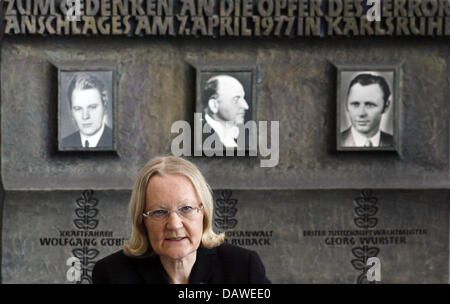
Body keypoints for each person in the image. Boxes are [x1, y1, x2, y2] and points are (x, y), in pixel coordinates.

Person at [92, 156, 270, 284]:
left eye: (186, 208)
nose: (175, 225)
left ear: (204, 212)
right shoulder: (111, 274)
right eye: (159, 212)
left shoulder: (243, 268)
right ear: (142, 220)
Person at [340, 73, 393, 148]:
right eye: (355, 104)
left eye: (370, 105)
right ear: (346, 105)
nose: (361, 113)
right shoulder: (334, 143)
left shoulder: (397, 144)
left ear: (386, 106)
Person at [61, 73, 112, 148]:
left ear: (105, 107)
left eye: (92, 107)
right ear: (71, 111)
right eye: (78, 109)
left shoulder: (118, 142)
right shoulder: (63, 144)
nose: (85, 116)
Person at [202, 75, 249, 148]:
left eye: (243, 98)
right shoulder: (197, 138)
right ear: (214, 105)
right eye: (236, 99)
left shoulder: (244, 135)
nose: (246, 106)